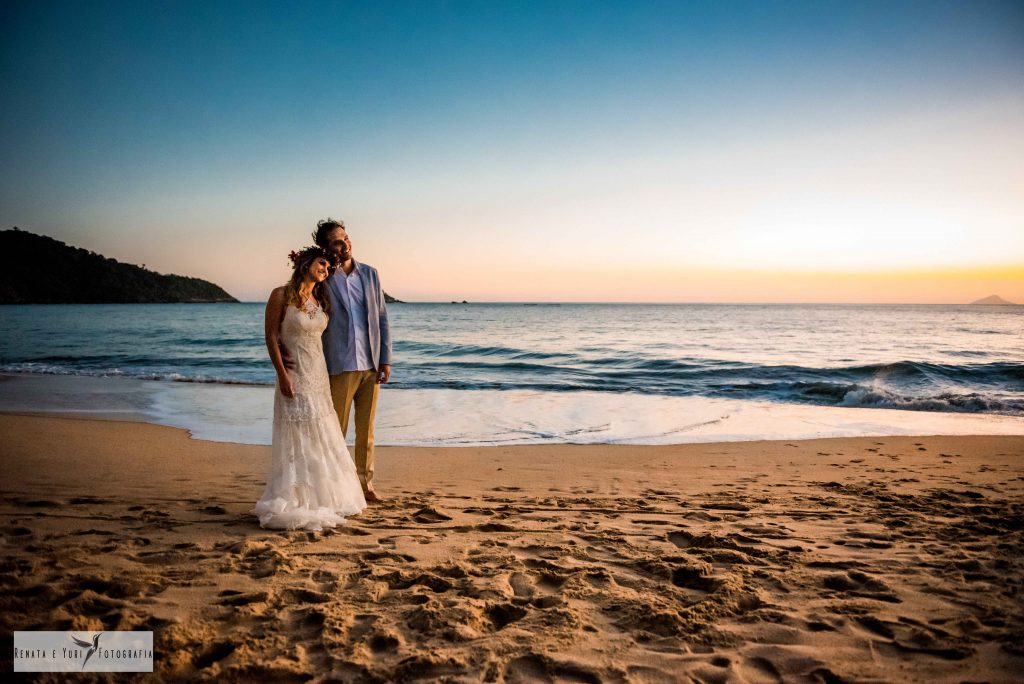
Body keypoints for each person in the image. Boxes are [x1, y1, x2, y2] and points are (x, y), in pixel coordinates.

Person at [253, 246, 366, 530]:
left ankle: (322, 497)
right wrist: (282, 375)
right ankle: (296, 497)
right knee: (298, 436)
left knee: (321, 436)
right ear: (305, 263)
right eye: (322, 263)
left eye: (328, 267)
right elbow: (270, 336)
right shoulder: (280, 295)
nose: (325, 270)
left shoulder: (319, 299)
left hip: (319, 376)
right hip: (295, 375)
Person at [313, 218, 392, 503]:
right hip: (339, 365)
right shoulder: (321, 278)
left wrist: (385, 359)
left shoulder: (370, 274)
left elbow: (382, 318)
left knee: (366, 432)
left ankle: (366, 486)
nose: (345, 244)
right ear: (325, 247)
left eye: (346, 238)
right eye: (336, 240)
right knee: (337, 432)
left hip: (370, 365)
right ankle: (334, 487)